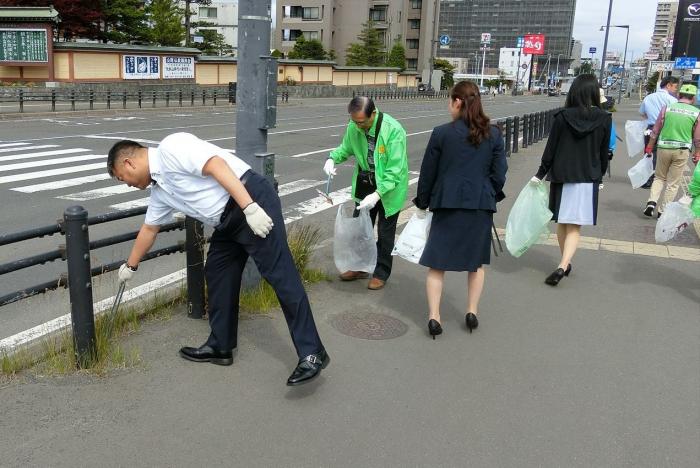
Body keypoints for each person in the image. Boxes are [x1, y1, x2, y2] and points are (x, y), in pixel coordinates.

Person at [108, 133, 329, 386]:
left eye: (122, 179)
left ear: (128, 163)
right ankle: (220, 346)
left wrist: (250, 208)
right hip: (227, 223)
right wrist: (130, 266)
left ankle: (313, 353)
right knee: (217, 271)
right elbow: (149, 229)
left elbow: (215, 165)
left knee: (280, 275)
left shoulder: (171, 147)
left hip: (248, 199)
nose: (127, 184)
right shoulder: (160, 191)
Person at [414, 80, 507, 338]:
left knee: (437, 264)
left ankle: (434, 316)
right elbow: (500, 172)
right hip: (479, 204)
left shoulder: (441, 133)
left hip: (447, 203)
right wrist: (490, 194)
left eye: (450, 100)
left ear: (457, 101)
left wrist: (423, 201)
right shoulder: (494, 133)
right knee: (475, 264)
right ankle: (471, 311)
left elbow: (428, 173)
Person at [530, 74, 611, 286]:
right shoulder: (604, 118)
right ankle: (564, 264)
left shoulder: (562, 116)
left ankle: (564, 263)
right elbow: (603, 152)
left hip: (562, 175)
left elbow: (551, 149)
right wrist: (600, 175)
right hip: (588, 176)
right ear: (594, 92)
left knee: (563, 222)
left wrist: (540, 173)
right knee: (575, 226)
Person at [324, 96, 409, 290]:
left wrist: (378, 194)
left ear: (373, 113)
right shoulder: (354, 126)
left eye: (361, 122)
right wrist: (331, 159)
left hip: (389, 188)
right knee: (360, 229)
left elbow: (395, 170)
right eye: (354, 122)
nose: (358, 126)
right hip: (366, 182)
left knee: (385, 233)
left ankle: (381, 272)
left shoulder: (393, 130)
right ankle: (359, 267)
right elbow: (345, 148)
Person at [643, 83, 700, 218]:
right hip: (682, 150)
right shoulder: (696, 113)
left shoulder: (666, 109)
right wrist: (697, 152)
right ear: (693, 98)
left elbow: (655, 130)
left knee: (659, 177)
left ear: (679, 95)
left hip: (664, 147)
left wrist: (650, 146)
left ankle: (651, 202)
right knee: (673, 182)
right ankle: (663, 210)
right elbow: (697, 138)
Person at [639, 76, 679, 188]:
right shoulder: (673, 100)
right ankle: (658, 179)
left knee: (648, 153)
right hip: (666, 129)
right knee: (663, 155)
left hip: (650, 128)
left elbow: (642, 113)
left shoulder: (649, 97)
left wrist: (651, 118)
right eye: (675, 87)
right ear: (668, 85)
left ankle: (647, 179)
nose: (676, 90)